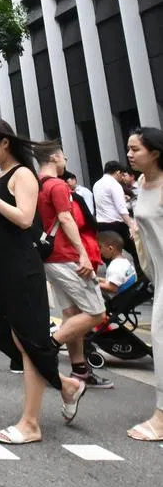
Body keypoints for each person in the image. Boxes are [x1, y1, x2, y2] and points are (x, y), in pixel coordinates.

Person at [0, 119, 85, 445]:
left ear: (5, 143)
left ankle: (31, 424)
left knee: (29, 343)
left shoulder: (23, 175)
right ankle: (67, 385)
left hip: (21, 269)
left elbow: (25, 218)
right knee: (4, 334)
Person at [37, 142, 112, 390]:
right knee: (96, 313)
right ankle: (49, 346)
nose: (66, 159)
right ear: (55, 157)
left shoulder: (36, 185)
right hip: (66, 256)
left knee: (72, 314)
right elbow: (66, 218)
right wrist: (82, 255)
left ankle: (80, 369)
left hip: (49, 258)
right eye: (64, 156)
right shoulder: (57, 186)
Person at [125, 126, 163, 441]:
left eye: (136, 149)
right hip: (158, 274)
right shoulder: (141, 183)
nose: (129, 154)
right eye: (128, 148)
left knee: (161, 340)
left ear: (155, 152)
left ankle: (161, 418)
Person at [93, 160, 139, 272]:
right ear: (118, 172)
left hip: (102, 225)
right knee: (136, 252)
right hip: (116, 224)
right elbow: (121, 209)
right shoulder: (114, 184)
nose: (123, 178)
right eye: (122, 175)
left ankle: (113, 281)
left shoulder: (96, 184)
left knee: (109, 256)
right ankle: (141, 279)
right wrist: (131, 225)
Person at [96, 230, 136, 295]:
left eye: (100, 247)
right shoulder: (124, 262)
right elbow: (115, 280)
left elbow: (112, 288)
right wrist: (97, 279)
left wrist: (95, 284)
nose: (99, 250)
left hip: (120, 300)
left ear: (110, 248)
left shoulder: (115, 267)